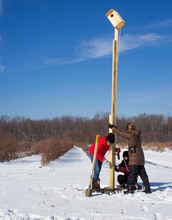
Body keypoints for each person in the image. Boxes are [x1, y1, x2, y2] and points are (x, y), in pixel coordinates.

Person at [109, 122, 151, 194]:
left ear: (128, 128)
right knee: (143, 173)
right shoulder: (137, 134)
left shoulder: (130, 134)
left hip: (134, 158)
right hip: (140, 157)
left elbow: (120, 133)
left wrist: (113, 128)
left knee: (132, 174)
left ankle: (130, 189)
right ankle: (148, 188)